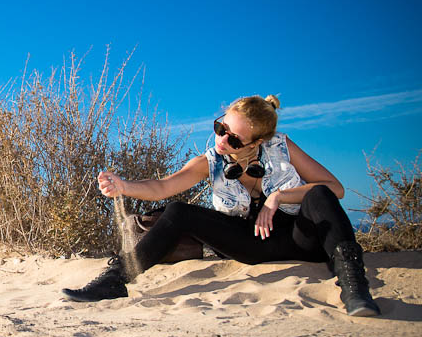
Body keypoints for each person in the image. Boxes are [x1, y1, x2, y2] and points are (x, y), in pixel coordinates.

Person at [61, 95, 381, 317]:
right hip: (247, 243)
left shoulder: (282, 147)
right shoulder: (210, 161)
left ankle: (355, 290)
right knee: (178, 212)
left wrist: (279, 197)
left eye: (235, 139)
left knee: (319, 196)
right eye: (221, 128)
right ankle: (115, 281)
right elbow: (163, 187)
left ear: (257, 143)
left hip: (299, 240)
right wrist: (124, 186)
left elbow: (335, 188)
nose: (222, 141)